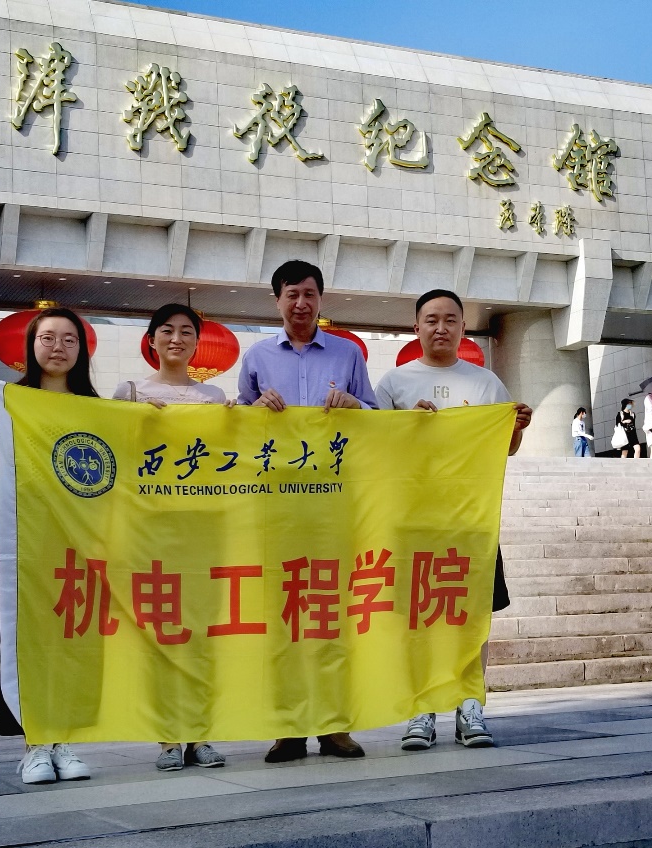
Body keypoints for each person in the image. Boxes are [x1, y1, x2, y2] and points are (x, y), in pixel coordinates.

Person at [375, 288, 533, 751]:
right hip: (414, 519)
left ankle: (470, 707)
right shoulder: (394, 383)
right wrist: (404, 425)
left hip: (471, 519)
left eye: (450, 320)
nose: (440, 328)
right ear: (416, 327)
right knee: (417, 617)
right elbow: (376, 451)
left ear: (464, 328)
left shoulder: (486, 383)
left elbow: (505, 449)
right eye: (431, 320)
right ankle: (420, 709)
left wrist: (517, 428)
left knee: (472, 617)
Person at [237, 259, 378, 764]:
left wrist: (355, 406)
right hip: (275, 506)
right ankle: (288, 728)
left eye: (310, 293)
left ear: (321, 299)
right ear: (277, 300)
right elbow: (234, 429)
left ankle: (336, 726)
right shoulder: (256, 356)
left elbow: (378, 419)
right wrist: (253, 412)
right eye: (292, 293)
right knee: (282, 617)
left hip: (333, 505)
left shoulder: (348, 353)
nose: (301, 303)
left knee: (332, 614)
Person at [0, 306, 99, 786]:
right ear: (32, 345)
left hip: (77, 540)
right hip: (21, 537)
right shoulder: (8, 400)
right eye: (48, 338)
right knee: (27, 639)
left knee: (72, 639)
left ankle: (64, 740)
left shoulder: (95, 407)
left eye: (69, 339)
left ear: (81, 350)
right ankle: (34, 745)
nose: (58, 347)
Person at [115, 303, 229, 772]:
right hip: (152, 529)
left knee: (203, 633)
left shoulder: (215, 396)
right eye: (167, 330)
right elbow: (116, 451)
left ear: (198, 342)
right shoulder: (129, 392)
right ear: (152, 339)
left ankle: (201, 733)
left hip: (204, 527)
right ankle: (167, 737)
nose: (176, 339)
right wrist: (135, 419)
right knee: (161, 629)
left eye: (186, 332)